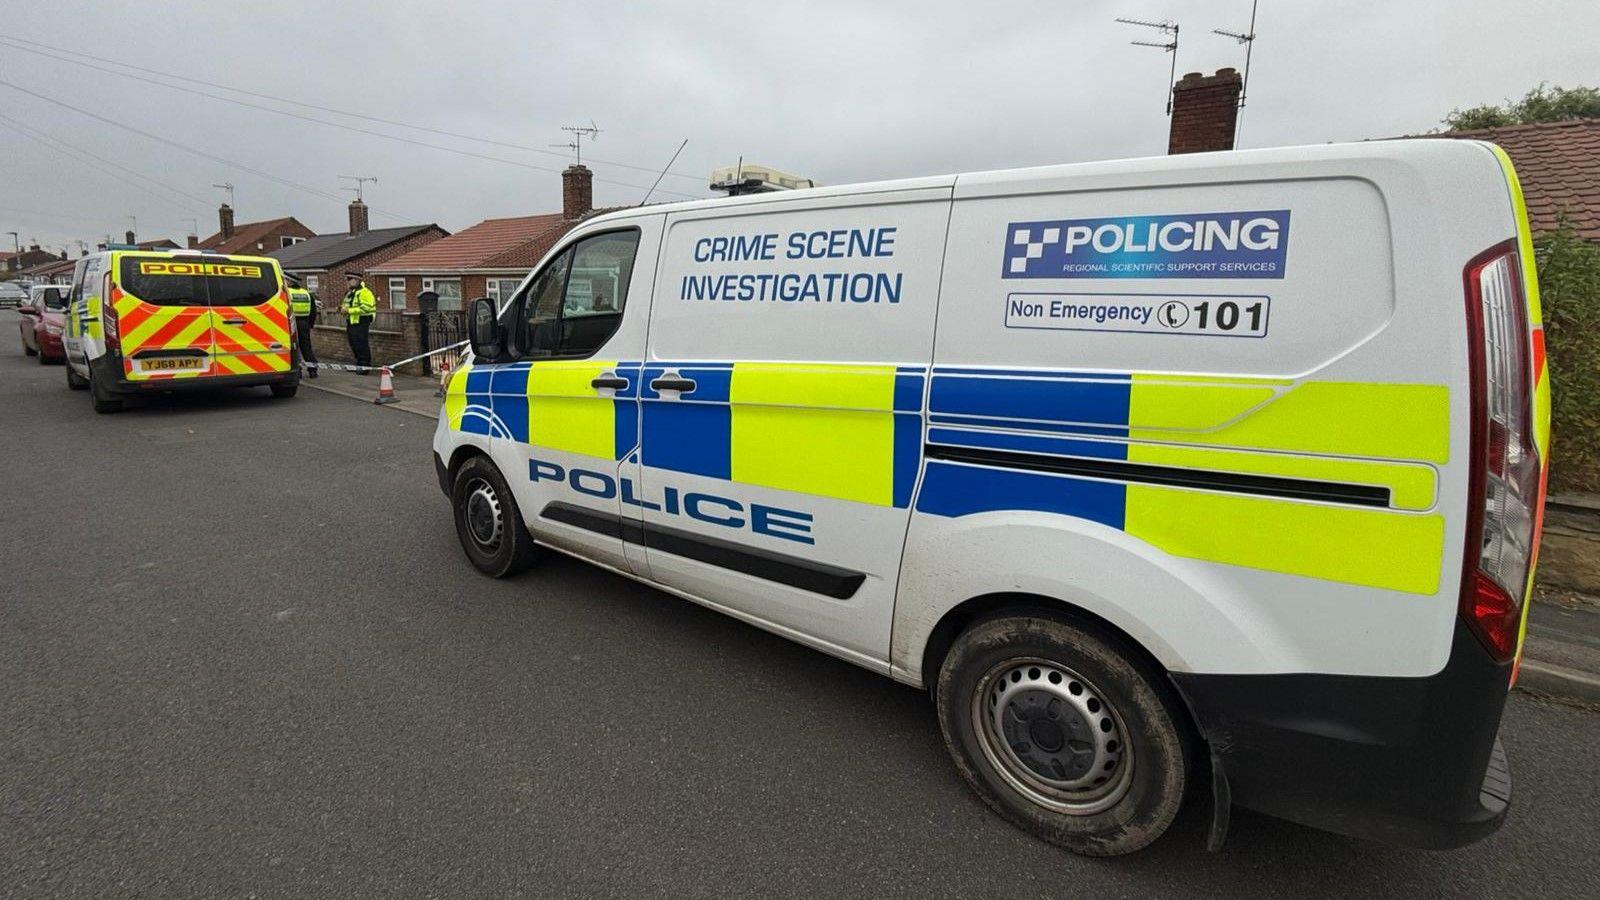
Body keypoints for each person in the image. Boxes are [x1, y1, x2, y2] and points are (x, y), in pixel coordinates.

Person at [342, 271, 376, 372]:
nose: (347, 282)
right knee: (354, 343)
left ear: (357, 280)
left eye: (349, 279)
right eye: (347, 279)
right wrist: (341, 309)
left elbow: (366, 308)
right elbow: (346, 305)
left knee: (361, 343)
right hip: (352, 321)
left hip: (362, 321)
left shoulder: (364, 292)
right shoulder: (350, 293)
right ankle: (359, 364)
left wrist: (348, 310)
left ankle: (365, 366)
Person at [287, 275, 319, 379]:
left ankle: (298, 371)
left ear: (290, 282)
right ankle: (313, 370)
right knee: (306, 347)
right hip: (304, 323)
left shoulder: (287, 293)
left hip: (291, 323)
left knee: (294, 347)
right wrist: (310, 324)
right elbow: (313, 311)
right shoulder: (306, 293)